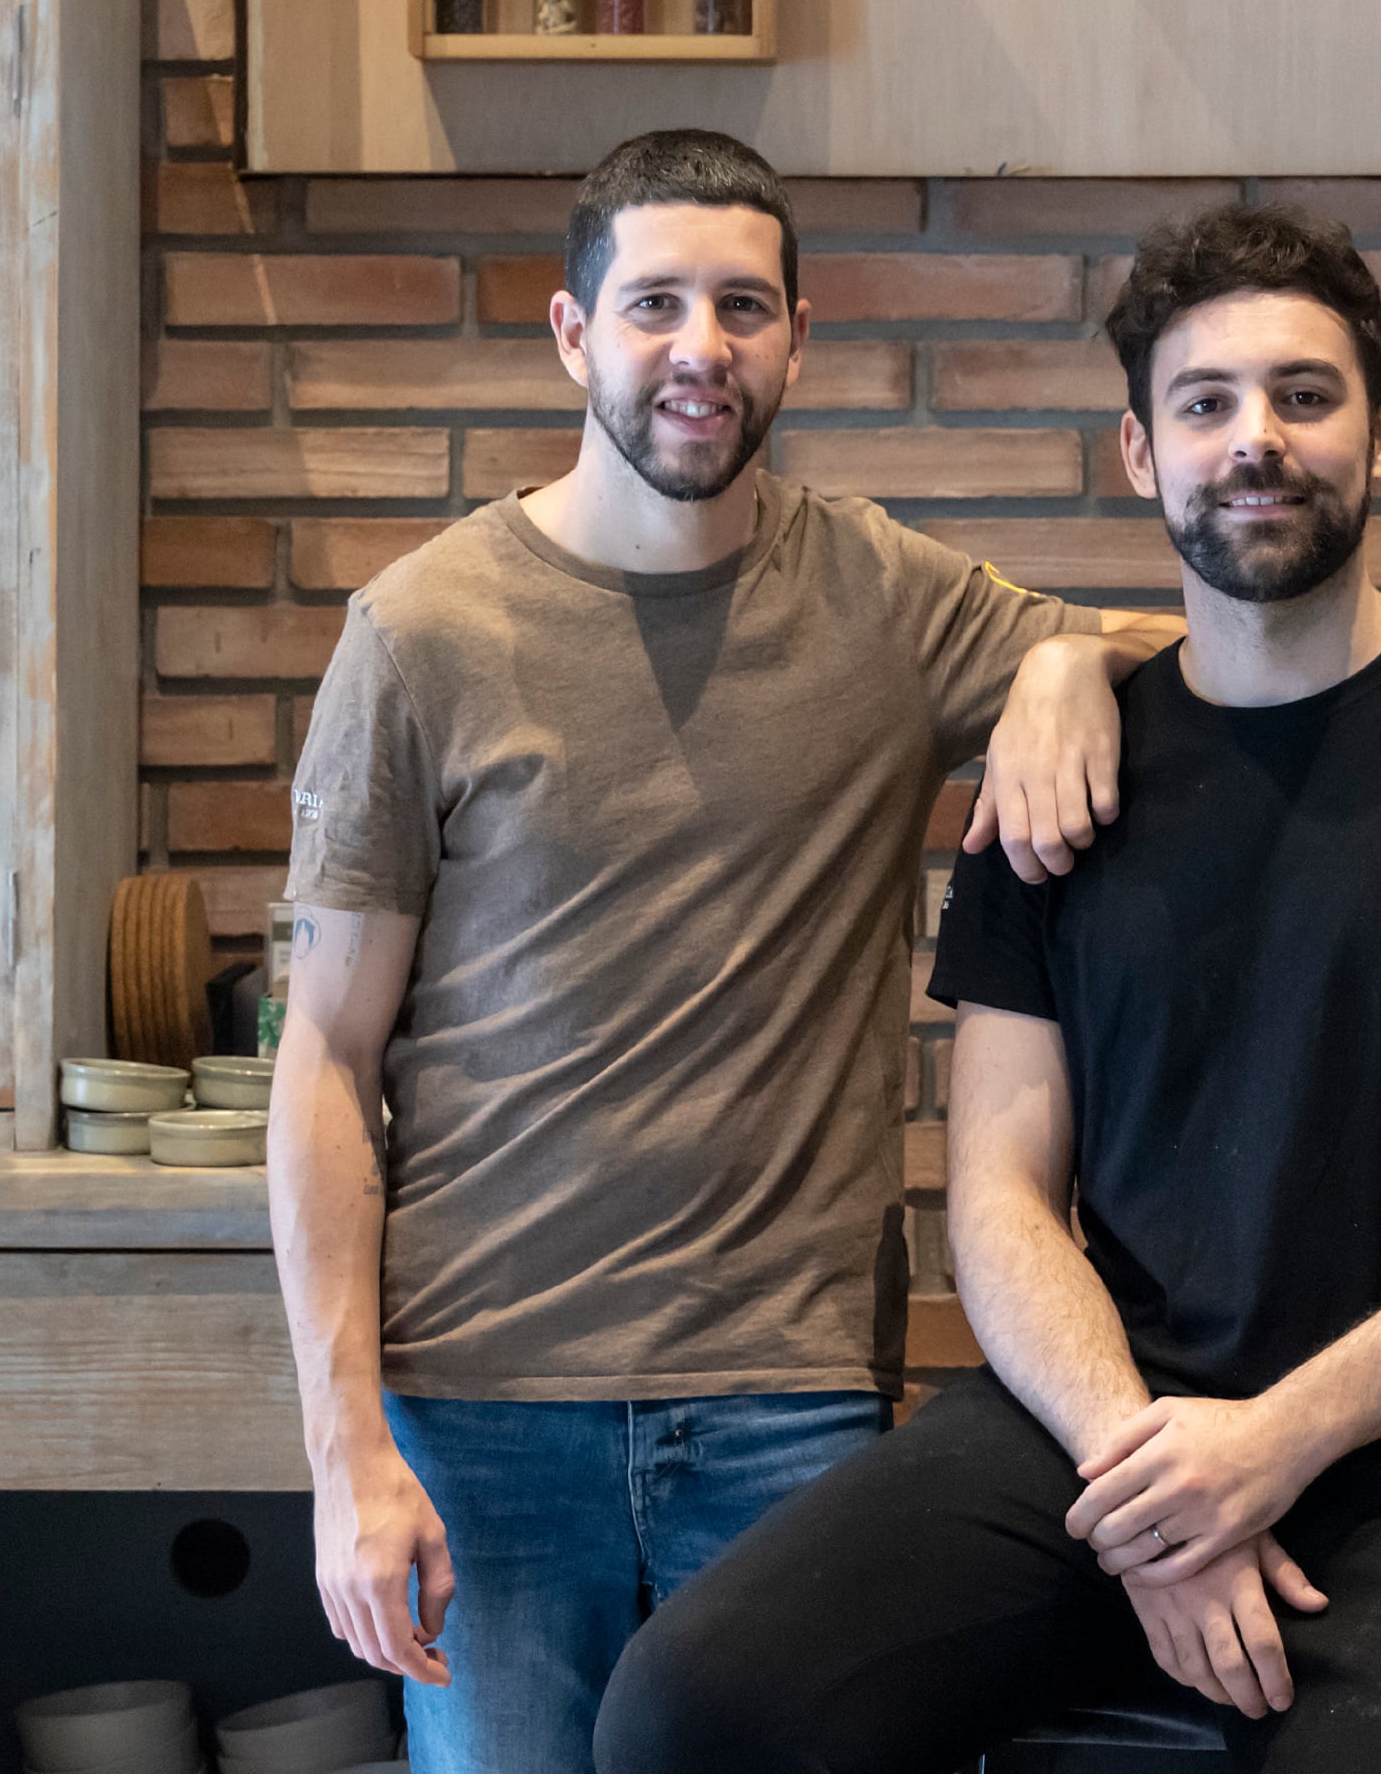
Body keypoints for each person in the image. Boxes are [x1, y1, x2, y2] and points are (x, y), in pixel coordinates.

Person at [596, 199, 1381, 1774]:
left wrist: (1267, 1447)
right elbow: (995, 1189)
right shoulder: (1064, 769)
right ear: (1141, 450)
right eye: (1205, 404)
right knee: (690, 1709)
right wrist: (1151, 1490)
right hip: (1101, 1429)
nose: (1255, 440)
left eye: (1305, 396)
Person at [264, 129, 1181, 1774]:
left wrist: (1065, 662)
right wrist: (347, 1450)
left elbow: (1207, 665)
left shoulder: (885, 599)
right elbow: (325, 1060)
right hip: (481, 1409)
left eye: (744, 305)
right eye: (656, 303)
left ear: (798, 340)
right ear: (572, 332)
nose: (702, 346)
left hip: (790, 1397)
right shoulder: (421, 634)